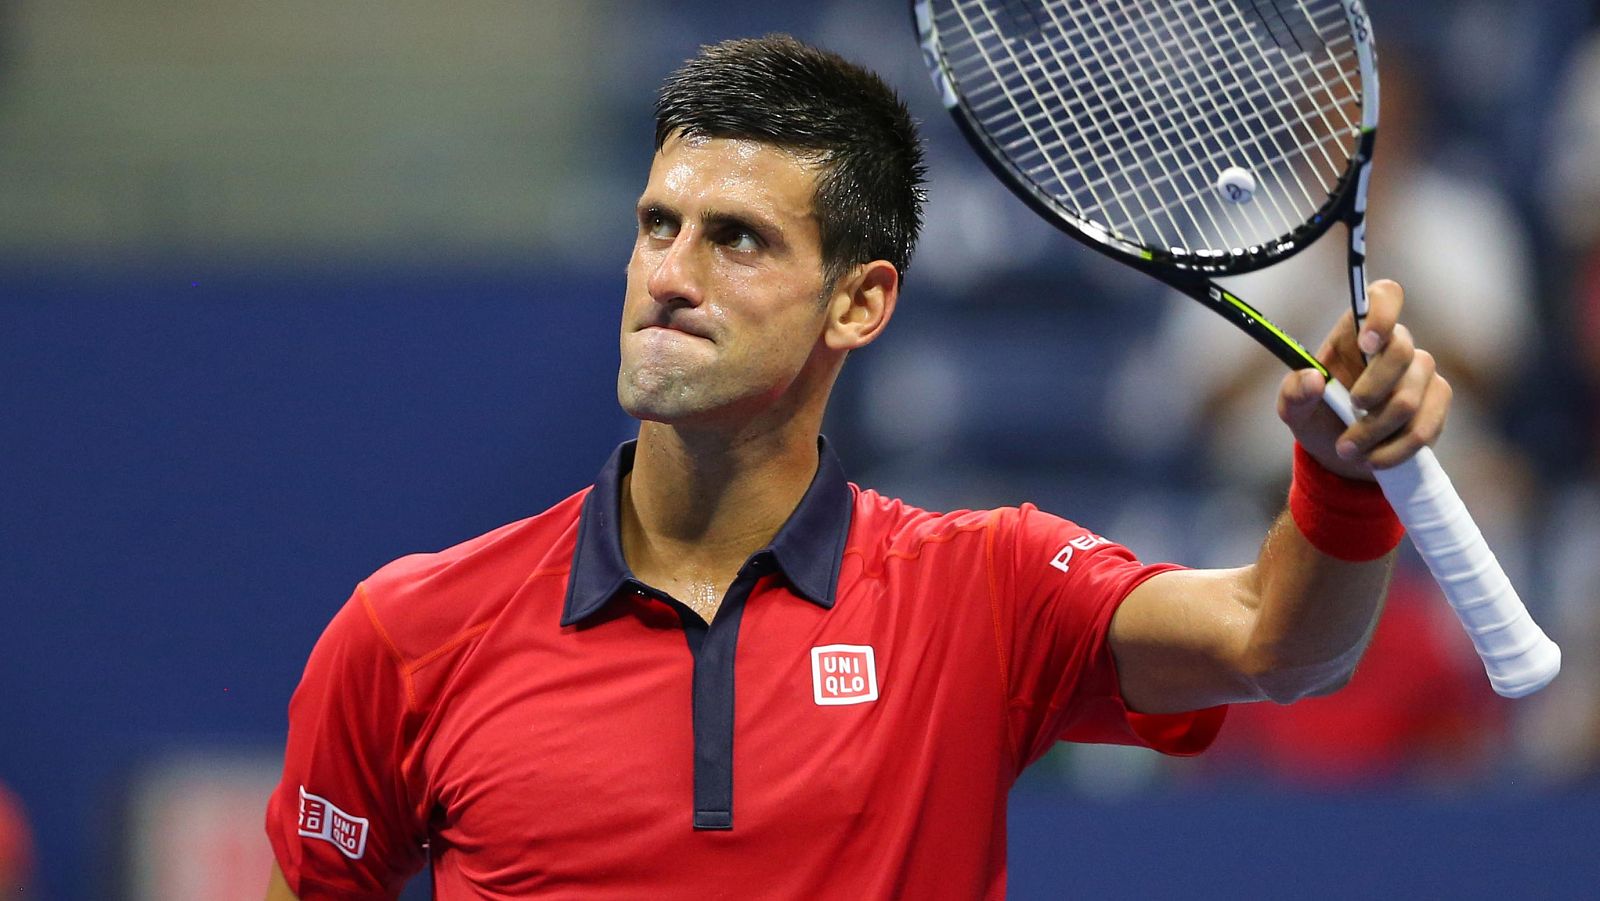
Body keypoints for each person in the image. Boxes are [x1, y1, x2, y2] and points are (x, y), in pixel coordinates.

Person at [264, 35, 1454, 900]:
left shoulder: (981, 589)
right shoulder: (410, 630)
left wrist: (1342, 482)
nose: (670, 274)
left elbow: (1279, 643)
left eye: (736, 239)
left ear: (860, 302)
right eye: (656, 225)